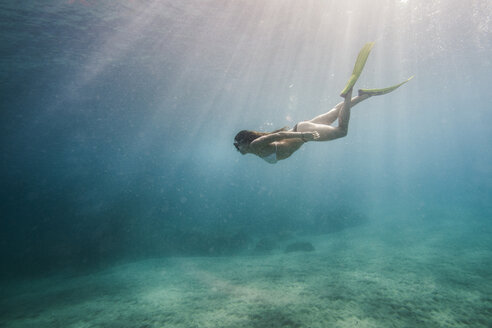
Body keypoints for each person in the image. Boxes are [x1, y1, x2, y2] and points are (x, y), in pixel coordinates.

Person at [233, 42, 413, 164]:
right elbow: (275, 139)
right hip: (300, 128)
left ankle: (349, 94)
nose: (237, 149)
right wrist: (302, 135)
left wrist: (305, 137)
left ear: (244, 141)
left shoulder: (255, 146)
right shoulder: (256, 149)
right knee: (334, 113)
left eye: (236, 145)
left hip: (302, 131)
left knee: (342, 131)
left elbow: (272, 138)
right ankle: (364, 95)